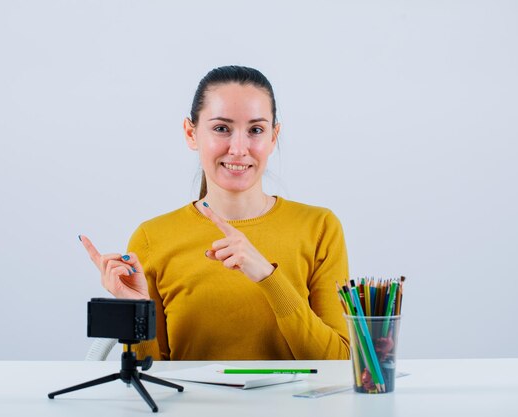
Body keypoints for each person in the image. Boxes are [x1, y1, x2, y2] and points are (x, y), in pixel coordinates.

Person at [80, 65, 350, 360]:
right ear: (191, 133)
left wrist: (267, 277)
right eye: (222, 128)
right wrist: (137, 312)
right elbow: (149, 382)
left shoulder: (319, 227)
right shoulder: (151, 238)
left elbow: (338, 365)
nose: (238, 148)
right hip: (192, 408)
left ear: (274, 137)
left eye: (256, 130)